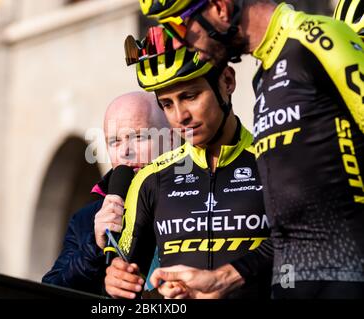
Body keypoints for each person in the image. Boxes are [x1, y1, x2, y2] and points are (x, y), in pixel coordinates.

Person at [141, 0, 364, 298]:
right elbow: (289, 229)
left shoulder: (316, 40)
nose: (182, 42)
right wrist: (222, 279)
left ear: (220, 7)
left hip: (347, 279)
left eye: (180, 26)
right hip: (292, 287)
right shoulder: (265, 74)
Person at [104, 26, 272, 299]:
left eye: (190, 96)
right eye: (167, 104)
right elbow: (127, 293)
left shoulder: (274, 162)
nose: (180, 116)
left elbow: (310, 247)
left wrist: (225, 278)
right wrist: (119, 283)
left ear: (227, 81)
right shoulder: (150, 180)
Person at [42, 91, 170, 295]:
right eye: (114, 142)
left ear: (172, 139)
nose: (125, 152)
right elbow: (51, 290)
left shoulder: (199, 200)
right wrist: (94, 246)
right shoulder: (87, 219)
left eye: (138, 137)